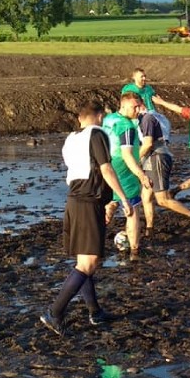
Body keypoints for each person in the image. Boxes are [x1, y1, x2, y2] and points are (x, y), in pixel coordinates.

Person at [40, 101, 133, 336]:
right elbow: (106, 169)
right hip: (87, 202)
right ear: (100, 117)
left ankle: (95, 312)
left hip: (75, 200)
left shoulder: (71, 139)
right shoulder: (97, 134)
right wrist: (122, 199)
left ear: (80, 118)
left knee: (85, 261)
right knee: (87, 263)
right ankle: (55, 313)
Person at [137, 106, 190, 236]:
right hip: (153, 157)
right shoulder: (157, 117)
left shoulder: (147, 119)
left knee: (162, 200)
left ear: (141, 106)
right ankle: (149, 229)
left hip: (156, 158)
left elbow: (148, 143)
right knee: (146, 196)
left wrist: (135, 160)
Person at [103, 92, 151, 259]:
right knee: (133, 210)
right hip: (124, 172)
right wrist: (141, 175)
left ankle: (109, 209)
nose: (137, 109)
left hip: (107, 168)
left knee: (113, 198)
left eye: (139, 106)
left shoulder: (109, 120)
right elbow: (127, 155)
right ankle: (134, 249)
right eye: (134, 106)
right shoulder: (127, 127)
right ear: (123, 105)